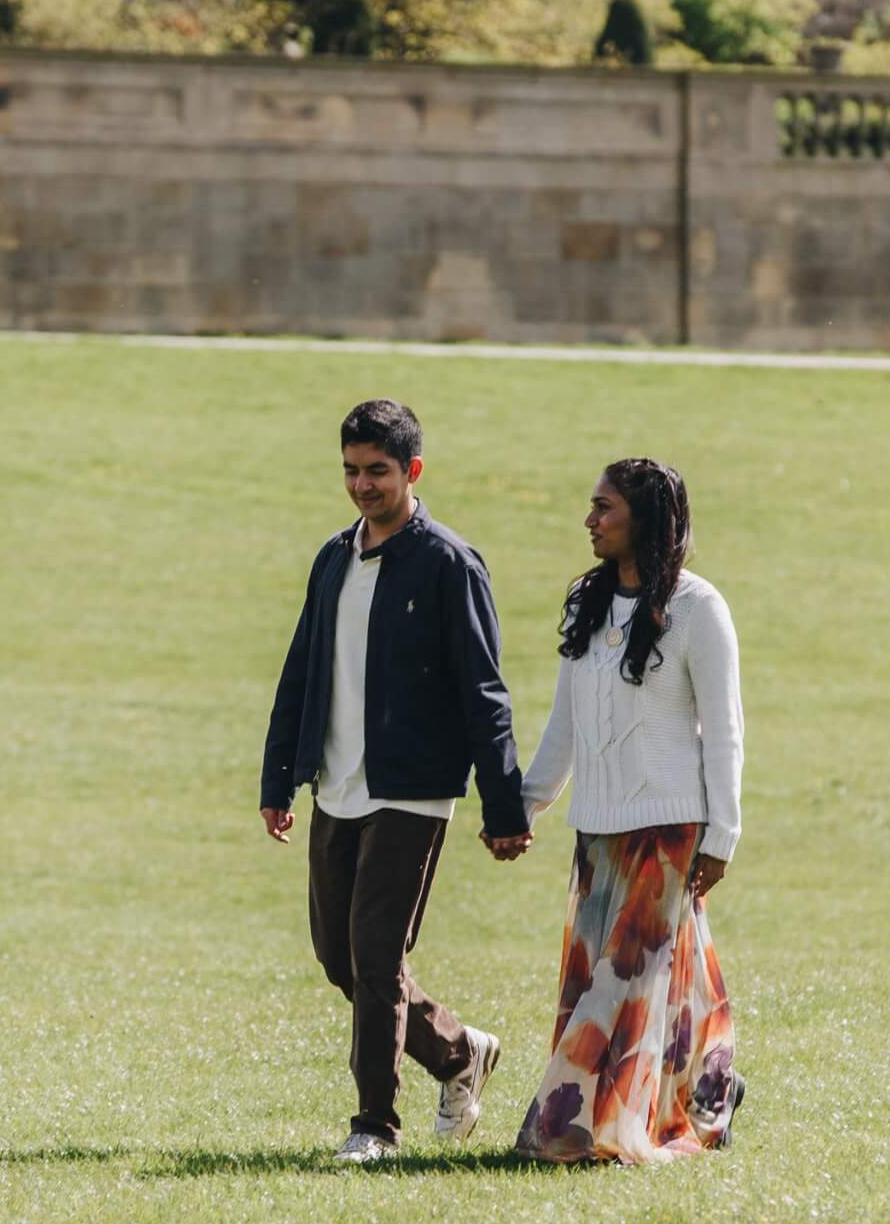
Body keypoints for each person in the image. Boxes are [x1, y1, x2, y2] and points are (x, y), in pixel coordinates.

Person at [260, 399, 532, 1164]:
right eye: (350, 470)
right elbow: (301, 671)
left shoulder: (450, 563)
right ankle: (457, 1053)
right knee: (337, 957)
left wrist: (504, 805)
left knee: (376, 954)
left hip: (411, 787)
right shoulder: (332, 559)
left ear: (412, 471)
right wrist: (279, 776)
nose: (361, 485)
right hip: (335, 783)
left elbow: (485, 690)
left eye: (377, 471)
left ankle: (374, 1125)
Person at [509, 458, 743, 1165]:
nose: (590, 519)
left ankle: (571, 1125)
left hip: (670, 829)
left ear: (642, 519)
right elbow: (565, 726)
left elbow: (724, 726)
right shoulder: (586, 604)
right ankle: (711, 1088)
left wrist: (723, 833)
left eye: (604, 507)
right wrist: (524, 806)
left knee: (624, 983)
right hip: (598, 831)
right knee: (650, 975)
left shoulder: (700, 608)